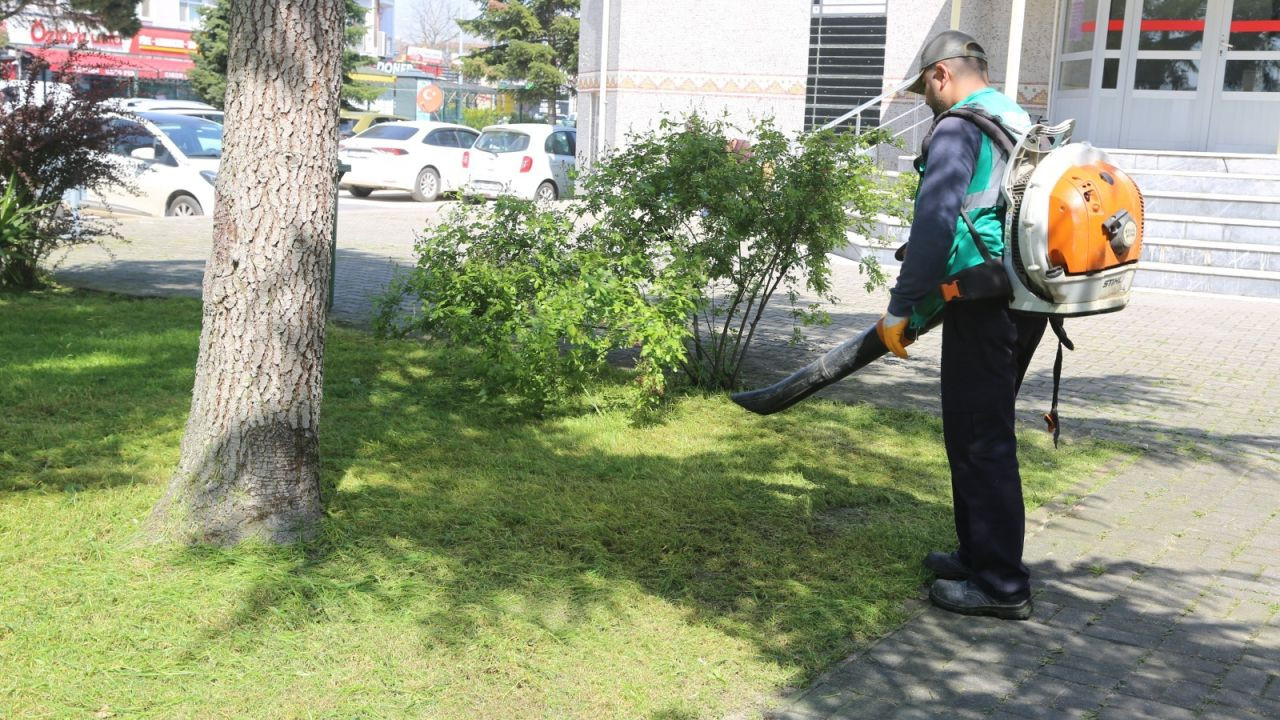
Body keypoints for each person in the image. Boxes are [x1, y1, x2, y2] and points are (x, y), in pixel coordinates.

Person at [874, 31, 1047, 620]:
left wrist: (901, 309)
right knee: (976, 431)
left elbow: (935, 225)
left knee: (982, 440)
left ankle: (1002, 586)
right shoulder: (1015, 117)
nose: (924, 97)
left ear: (942, 74)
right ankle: (978, 555)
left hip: (983, 304)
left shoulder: (958, 126)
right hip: (1021, 300)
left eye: (924, 85)